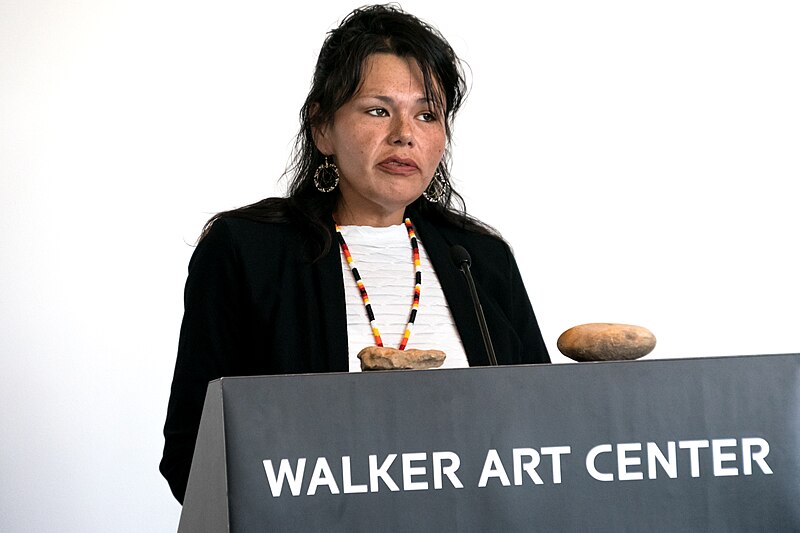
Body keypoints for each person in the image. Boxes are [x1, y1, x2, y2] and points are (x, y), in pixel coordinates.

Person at [160, 4, 550, 504]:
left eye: (427, 114)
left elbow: (544, 436)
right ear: (323, 127)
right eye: (378, 109)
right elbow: (192, 456)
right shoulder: (247, 251)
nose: (404, 133)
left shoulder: (478, 258)